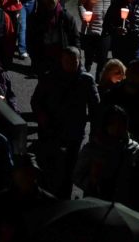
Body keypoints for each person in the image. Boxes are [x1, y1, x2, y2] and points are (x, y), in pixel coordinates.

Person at [31, 47, 99, 198]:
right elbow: (36, 101)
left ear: (79, 61)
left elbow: (95, 108)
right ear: (61, 60)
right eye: (67, 61)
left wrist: (95, 132)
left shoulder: (86, 80)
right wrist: (42, 118)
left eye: (73, 61)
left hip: (74, 132)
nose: (70, 64)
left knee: (69, 168)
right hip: (50, 130)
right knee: (50, 167)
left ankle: (64, 199)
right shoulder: (49, 77)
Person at [74, 105, 139, 205]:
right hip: (97, 201)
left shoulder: (133, 148)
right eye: (113, 123)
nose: (117, 127)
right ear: (106, 125)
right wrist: (93, 182)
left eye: (121, 123)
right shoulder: (93, 148)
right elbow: (77, 175)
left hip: (125, 202)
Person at [0, 154, 57, 242]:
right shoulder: (0, 201)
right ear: (14, 175)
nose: (27, 176)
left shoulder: (49, 202)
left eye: (30, 172)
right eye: (23, 172)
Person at [100, 60, 139, 152]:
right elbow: (100, 121)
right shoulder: (111, 96)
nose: (135, 76)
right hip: (113, 148)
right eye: (133, 72)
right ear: (127, 73)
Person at [26, 0, 81, 77]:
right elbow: (30, 39)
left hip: (62, 60)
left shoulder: (66, 17)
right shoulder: (35, 18)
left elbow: (75, 38)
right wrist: (34, 58)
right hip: (43, 60)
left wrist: (76, 58)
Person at [78, 0, 119, 75]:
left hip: (106, 28)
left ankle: (99, 80)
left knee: (102, 58)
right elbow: (80, 4)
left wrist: (115, 16)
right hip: (91, 27)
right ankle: (86, 76)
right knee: (89, 58)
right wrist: (84, 17)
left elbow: (117, 1)